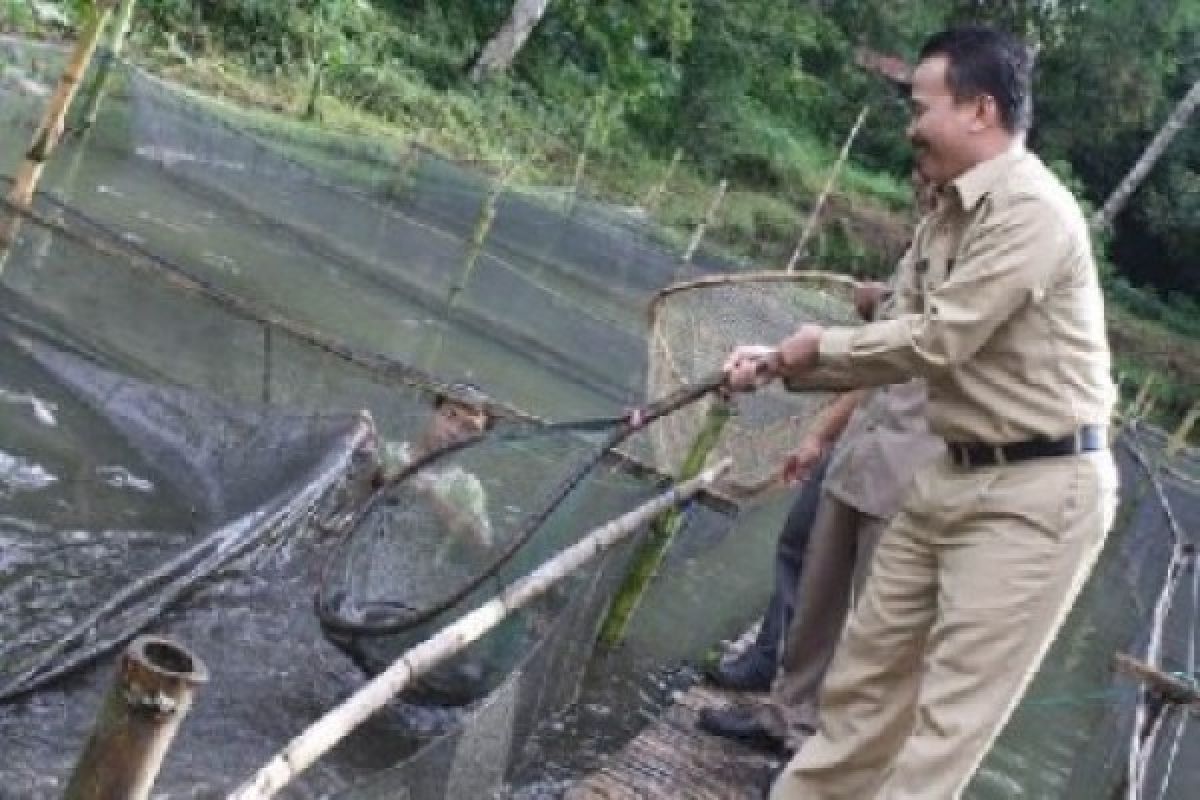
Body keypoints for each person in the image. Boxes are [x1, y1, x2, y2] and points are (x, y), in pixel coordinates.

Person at [725, 26, 1117, 799]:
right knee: (862, 686)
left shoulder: (1033, 211)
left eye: (921, 106)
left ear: (979, 110)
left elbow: (941, 341)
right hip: (951, 467)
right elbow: (888, 328)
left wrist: (815, 348)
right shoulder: (946, 212)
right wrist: (777, 360)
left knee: (945, 724)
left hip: (1038, 491)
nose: (911, 125)